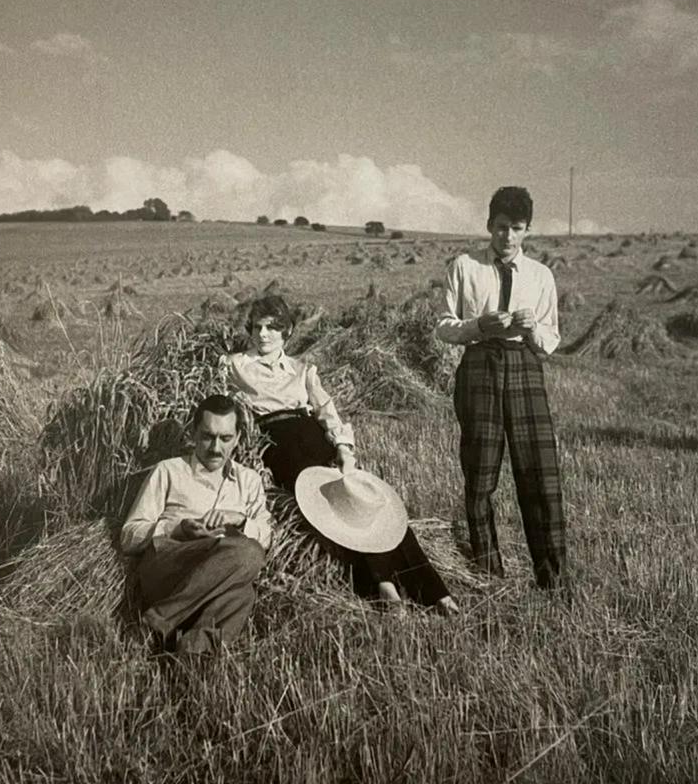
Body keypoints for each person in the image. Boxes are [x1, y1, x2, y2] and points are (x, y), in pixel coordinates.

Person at [221, 294, 459, 616]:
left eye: (272, 328)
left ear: (286, 331)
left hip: (313, 437)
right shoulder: (235, 365)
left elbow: (326, 411)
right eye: (258, 327)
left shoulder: (302, 369)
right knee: (335, 506)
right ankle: (384, 584)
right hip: (277, 441)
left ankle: (434, 591)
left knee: (368, 503)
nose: (263, 335)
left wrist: (344, 449)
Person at [435, 186, 567, 589]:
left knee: (540, 474)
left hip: (525, 367)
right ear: (488, 225)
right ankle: (488, 575)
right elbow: (443, 326)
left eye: (517, 229)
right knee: (479, 474)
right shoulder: (464, 266)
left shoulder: (541, 276)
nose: (507, 237)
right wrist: (478, 326)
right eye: (500, 228)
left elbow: (552, 339)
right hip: (479, 367)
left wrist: (532, 331)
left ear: (527, 231)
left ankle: (554, 581)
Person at [120, 394, 273, 654]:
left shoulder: (249, 481)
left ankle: (189, 656)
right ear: (193, 434)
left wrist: (240, 519)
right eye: (207, 436)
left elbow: (266, 537)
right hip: (170, 565)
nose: (215, 448)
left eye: (225, 438)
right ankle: (155, 624)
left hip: (221, 571)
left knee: (243, 593)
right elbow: (129, 536)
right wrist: (177, 529)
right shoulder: (169, 471)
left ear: (237, 438)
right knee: (247, 553)